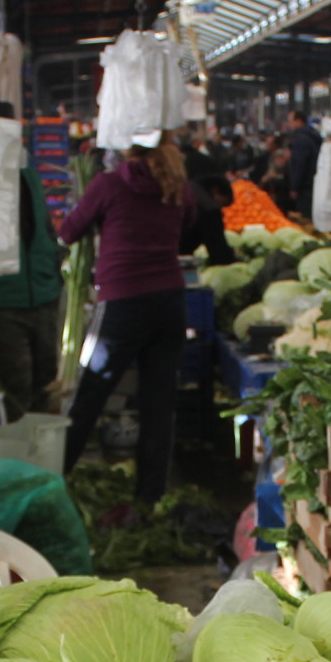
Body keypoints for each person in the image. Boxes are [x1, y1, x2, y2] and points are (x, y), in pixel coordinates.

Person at [58, 131, 198, 508]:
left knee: (90, 394)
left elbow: (69, 231)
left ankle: (55, 483)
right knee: (158, 403)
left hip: (123, 302)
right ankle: (149, 498)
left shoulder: (108, 184)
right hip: (170, 301)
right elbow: (187, 228)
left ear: (127, 145)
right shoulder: (176, 185)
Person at [0, 100, 68, 419]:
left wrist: (52, 270)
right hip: (1, 301)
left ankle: (43, 456)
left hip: (42, 296)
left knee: (45, 385)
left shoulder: (29, 175)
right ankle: (18, 459)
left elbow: (42, 229)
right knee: (15, 387)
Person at [278, 109, 322, 216]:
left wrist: (294, 187)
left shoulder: (300, 139)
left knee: (304, 216)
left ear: (299, 121)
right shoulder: (314, 136)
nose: (289, 124)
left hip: (304, 187)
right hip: (315, 183)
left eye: (290, 121)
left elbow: (299, 164)